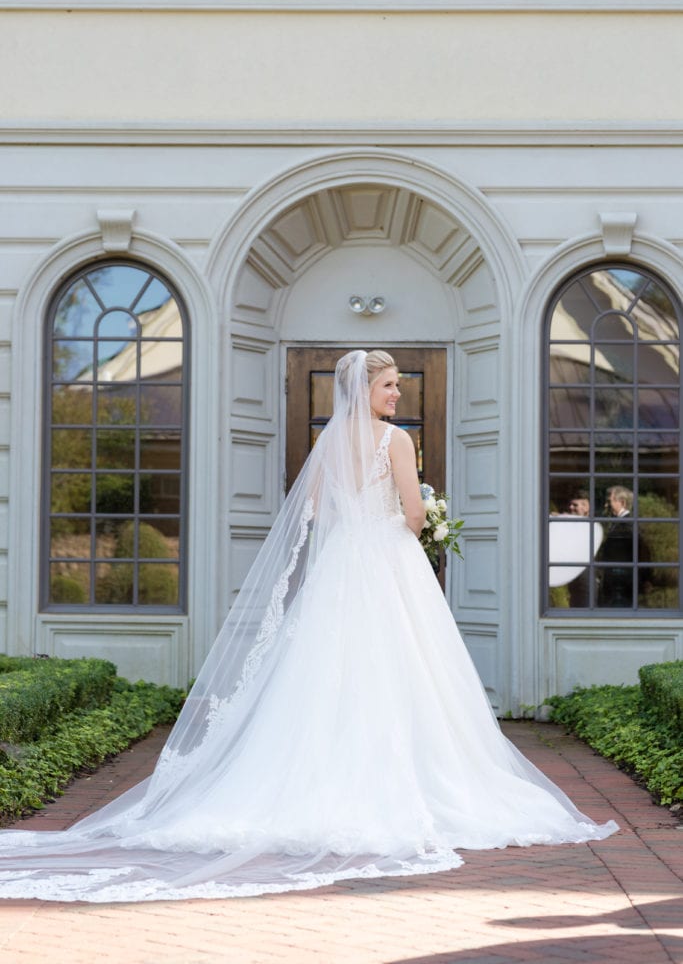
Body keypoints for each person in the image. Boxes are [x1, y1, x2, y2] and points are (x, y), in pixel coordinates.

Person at [0, 350, 617, 903]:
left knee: (326, 678)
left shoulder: (327, 441)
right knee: (404, 673)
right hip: (387, 567)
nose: (397, 395)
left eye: (397, 386)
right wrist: (428, 518)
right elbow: (408, 513)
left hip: (341, 568)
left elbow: (316, 512)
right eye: (390, 386)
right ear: (366, 390)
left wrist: (364, 525)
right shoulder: (394, 441)